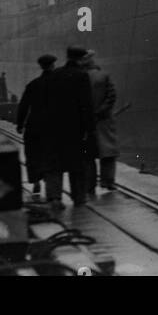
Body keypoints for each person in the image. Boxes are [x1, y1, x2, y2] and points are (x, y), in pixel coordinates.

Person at [41, 46, 96, 212]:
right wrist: (90, 128)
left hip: (56, 128)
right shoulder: (82, 76)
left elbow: (47, 101)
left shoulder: (55, 74)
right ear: (80, 59)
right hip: (76, 129)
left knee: (56, 165)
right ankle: (78, 197)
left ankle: (55, 197)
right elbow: (86, 104)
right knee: (77, 165)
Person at [16, 55, 56, 198]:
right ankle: (51, 184)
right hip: (54, 125)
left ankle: (36, 181)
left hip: (35, 125)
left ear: (41, 66)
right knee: (52, 155)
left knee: (33, 155)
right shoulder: (59, 84)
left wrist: (20, 124)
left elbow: (24, 106)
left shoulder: (33, 85)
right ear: (53, 65)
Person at [83, 51, 120, 194]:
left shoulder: (79, 77)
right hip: (103, 120)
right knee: (108, 153)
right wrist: (100, 112)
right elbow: (112, 96)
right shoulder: (104, 76)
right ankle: (108, 182)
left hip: (86, 122)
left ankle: (89, 185)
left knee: (88, 156)